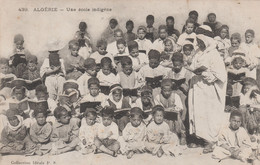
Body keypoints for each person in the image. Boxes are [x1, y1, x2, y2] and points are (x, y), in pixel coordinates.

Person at [188, 25, 227, 153]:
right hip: (198, 88)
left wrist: (204, 73)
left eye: (200, 40)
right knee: (198, 112)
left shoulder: (214, 54)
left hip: (209, 90)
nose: (198, 43)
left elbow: (220, 75)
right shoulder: (199, 52)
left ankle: (210, 141)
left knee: (208, 114)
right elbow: (193, 66)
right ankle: (200, 138)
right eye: (197, 41)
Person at [154, 79, 186, 145]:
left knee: (177, 116)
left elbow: (180, 108)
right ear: (162, 89)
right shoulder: (158, 97)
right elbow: (158, 108)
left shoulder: (175, 96)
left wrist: (174, 109)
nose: (167, 93)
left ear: (172, 90)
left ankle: (182, 135)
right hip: (164, 116)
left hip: (174, 116)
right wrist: (168, 109)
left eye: (169, 91)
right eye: (165, 91)